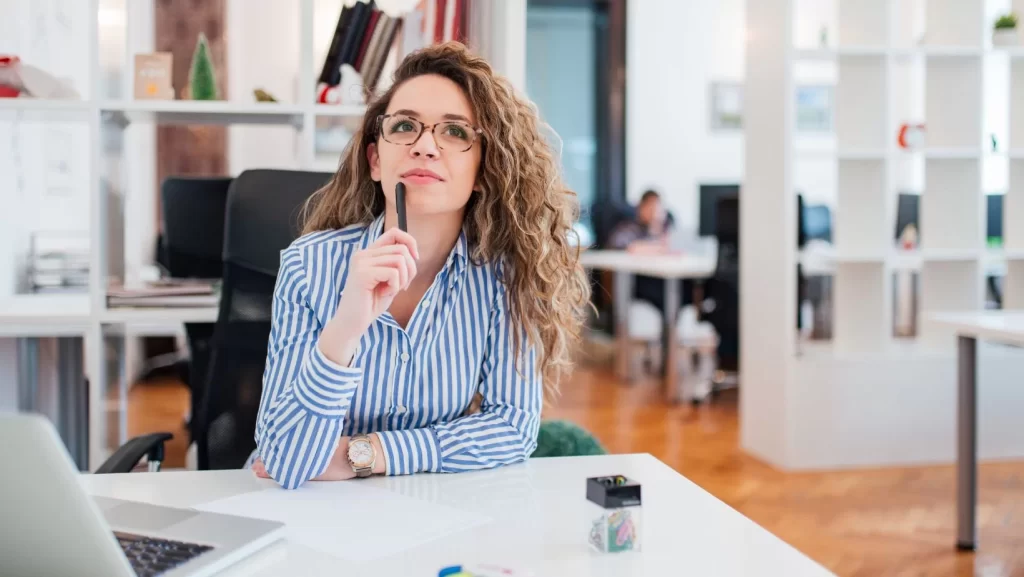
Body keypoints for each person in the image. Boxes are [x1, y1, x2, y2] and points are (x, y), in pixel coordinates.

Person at [249, 42, 591, 490]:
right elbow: (286, 461)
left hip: (428, 507)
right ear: (375, 160)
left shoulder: (506, 276)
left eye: (454, 132)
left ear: (483, 167)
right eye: (405, 126)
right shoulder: (309, 265)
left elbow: (511, 428)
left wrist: (366, 454)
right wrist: (344, 330)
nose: (425, 146)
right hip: (310, 511)